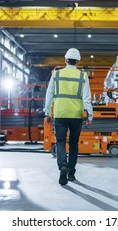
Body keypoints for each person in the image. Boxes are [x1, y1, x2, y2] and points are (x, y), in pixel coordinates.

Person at [43, 48, 93, 185]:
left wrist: (47, 113)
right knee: (73, 144)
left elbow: (49, 94)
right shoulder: (83, 76)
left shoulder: (56, 74)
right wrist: (90, 116)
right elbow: (87, 98)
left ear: (65, 60)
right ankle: (71, 173)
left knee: (60, 142)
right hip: (76, 115)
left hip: (60, 113)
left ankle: (62, 165)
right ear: (77, 62)